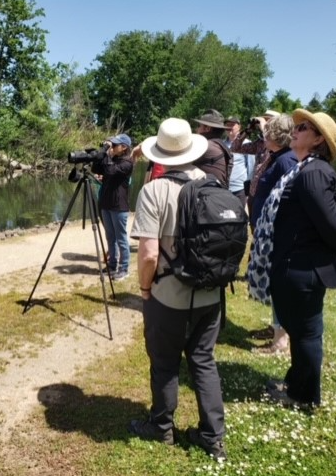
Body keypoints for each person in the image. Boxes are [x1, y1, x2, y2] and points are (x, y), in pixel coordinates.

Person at [249, 109, 336, 408]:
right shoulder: (304, 169)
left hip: (303, 267)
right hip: (295, 265)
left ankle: (304, 396)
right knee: (300, 330)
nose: (296, 131)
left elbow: (329, 220)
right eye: (298, 126)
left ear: (317, 140)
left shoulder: (313, 173)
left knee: (306, 333)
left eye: (303, 128)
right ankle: (296, 383)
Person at [128, 118, 227, 461]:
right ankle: (212, 437)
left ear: (160, 154)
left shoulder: (154, 190)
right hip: (211, 291)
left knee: (165, 361)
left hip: (169, 294)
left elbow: (149, 253)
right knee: (203, 360)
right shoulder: (212, 183)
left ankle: (161, 426)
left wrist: (144, 289)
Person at [248, 114, 298, 355]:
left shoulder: (286, 161)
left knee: (278, 283)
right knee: (272, 282)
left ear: (277, 136)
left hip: (276, 234)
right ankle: (276, 328)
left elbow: (290, 200)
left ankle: (280, 341)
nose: (264, 135)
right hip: (267, 231)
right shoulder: (277, 156)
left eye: (268, 132)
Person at [91, 133, 133, 281]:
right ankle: (112, 265)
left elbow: (110, 171)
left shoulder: (127, 163)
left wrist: (107, 155)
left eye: (115, 145)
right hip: (106, 203)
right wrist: (102, 152)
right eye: (112, 144)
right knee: (110, 237)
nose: (112, 147)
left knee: (121, 238)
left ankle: (124, 268)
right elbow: (96, 169)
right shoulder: (112, 159)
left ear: (124, 148)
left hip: (119, 206)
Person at [192, 109, 233, 186]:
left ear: (207, 128)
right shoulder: (219, 144)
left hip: (205, 193)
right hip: (216, 192)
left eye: (199, 126)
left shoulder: (206, 146)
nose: (197, 129)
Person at [223, 116, 254, 208]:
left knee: (238, 218)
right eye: (227, 125)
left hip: (240, 189)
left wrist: (248, 191)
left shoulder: (247, 144)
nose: (229, 127)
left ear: (239, 127)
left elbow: (251, 168)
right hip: (223, 188)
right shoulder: (222, 144)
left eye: (232, 124)